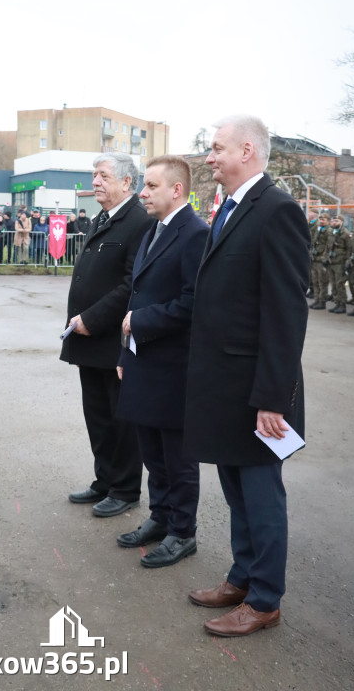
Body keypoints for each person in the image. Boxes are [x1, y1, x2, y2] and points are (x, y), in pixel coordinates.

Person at [183, 115, 310, 638]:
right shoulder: (231, 208)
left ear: (248, 150)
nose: (209, 157)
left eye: (216, 148)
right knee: (236, 489)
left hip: (258, 390)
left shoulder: (277, 210)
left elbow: (285, 314)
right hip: (225, 384)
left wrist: (272, 399)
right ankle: (242, 576)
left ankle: (264, 600)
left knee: (260, 494)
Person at [115, 156, 209, 568]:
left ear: (177, 190)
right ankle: (161, 516)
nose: (143, 193)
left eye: (151, 186)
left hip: (175, 366)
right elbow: (138, 295)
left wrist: (141, 323)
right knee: (152, 450)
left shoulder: (195, 234)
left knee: (177, 457)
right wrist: (125, 350)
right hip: (143, 359)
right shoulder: (155, 229)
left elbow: (194, 303)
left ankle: (182, 532)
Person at [60, 153, 152, 518]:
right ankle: (105, 480)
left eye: (103, 175)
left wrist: (92, 319)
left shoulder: (138, 222)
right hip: (87, 337)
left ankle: (125, 488)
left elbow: (133, 284)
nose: (95, 181)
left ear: (127, 182)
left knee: (120, 417)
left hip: (112, 338)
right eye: (94, 175)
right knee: (97, 415)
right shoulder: (102, 216)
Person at [326, 214, 351, 314]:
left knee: (339, 284)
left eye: (336, 221)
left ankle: (342, 304)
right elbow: (328, 246)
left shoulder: (345, 234)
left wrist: (347, 263)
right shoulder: (332, 232)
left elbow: (349, 249)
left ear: (341, 222)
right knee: (333, 284)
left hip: (340, 262)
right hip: (331, 261)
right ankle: (337, 303)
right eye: (333, 221)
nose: (334, 222)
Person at [310, 211, 331, 309]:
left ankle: (322, 301)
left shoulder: (328, 231)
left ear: (328, 221)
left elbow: (328, 246)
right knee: (315, 281)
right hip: (315, 258)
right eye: (320, 219)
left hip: (321, 259)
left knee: (322, 282)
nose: (321, 221)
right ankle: (316, 299)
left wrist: (325, 258)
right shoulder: (317, 229)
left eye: (323, 220)